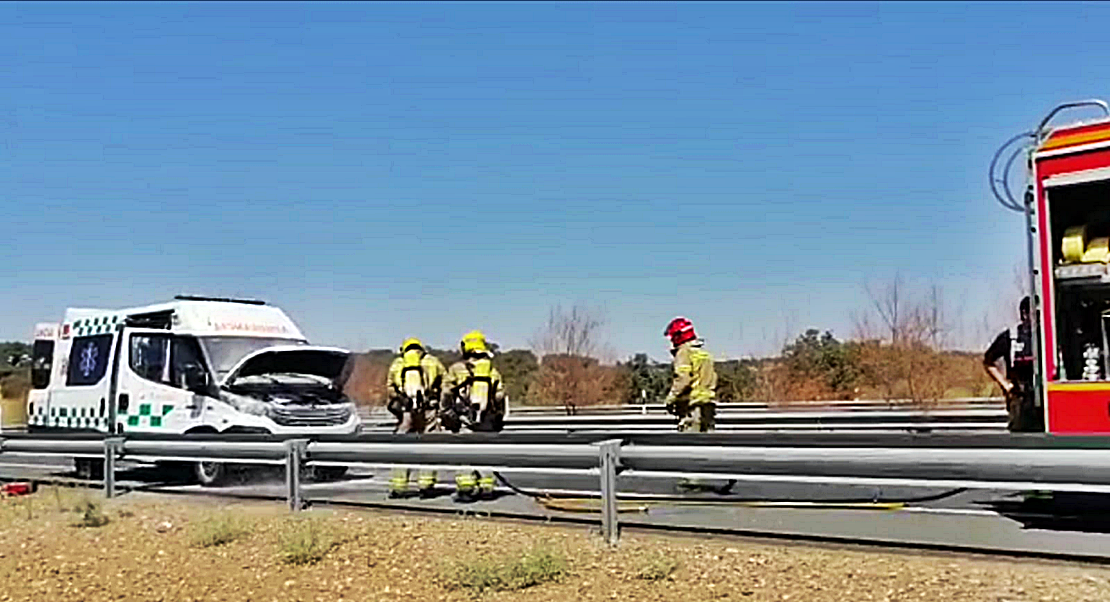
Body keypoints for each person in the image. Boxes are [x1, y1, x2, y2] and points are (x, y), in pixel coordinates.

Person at [440, 330, 506, 501]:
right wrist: (499, 417)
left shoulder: (456, 369)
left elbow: (446, 393)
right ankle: (487, 489)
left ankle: (466, 489)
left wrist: (446, 413)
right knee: (486, 454)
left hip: (464, 420)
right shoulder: (492, 370)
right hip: (487, 421)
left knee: (464, 454)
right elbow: (500, 395)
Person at [386, 337, 446, 497]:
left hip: (406, 411)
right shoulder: (433, 362)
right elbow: (445, 386)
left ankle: (398, 487)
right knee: (430, 446)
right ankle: (426, 485)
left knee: (402, 448)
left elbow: (390, 388)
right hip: (429, 410)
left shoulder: (397, 364)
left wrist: (400, 400)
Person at [984, 296, 1044, 433]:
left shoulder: (1045, 336)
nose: (1038, 317)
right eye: (1034, 313)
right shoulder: (1011, 337)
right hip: (1020, 400)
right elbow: (988, 362)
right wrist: (1006, 385)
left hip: (1043, 399)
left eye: (1040, 313)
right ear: (1024, 314)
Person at [662, 317, 718, 433]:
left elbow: (683, 379)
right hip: (708, 406)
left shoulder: (684, 352)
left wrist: (671, 398)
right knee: (709, 441)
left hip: (692, 407)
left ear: (678, 336)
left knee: (690, 441)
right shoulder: (703, 353)